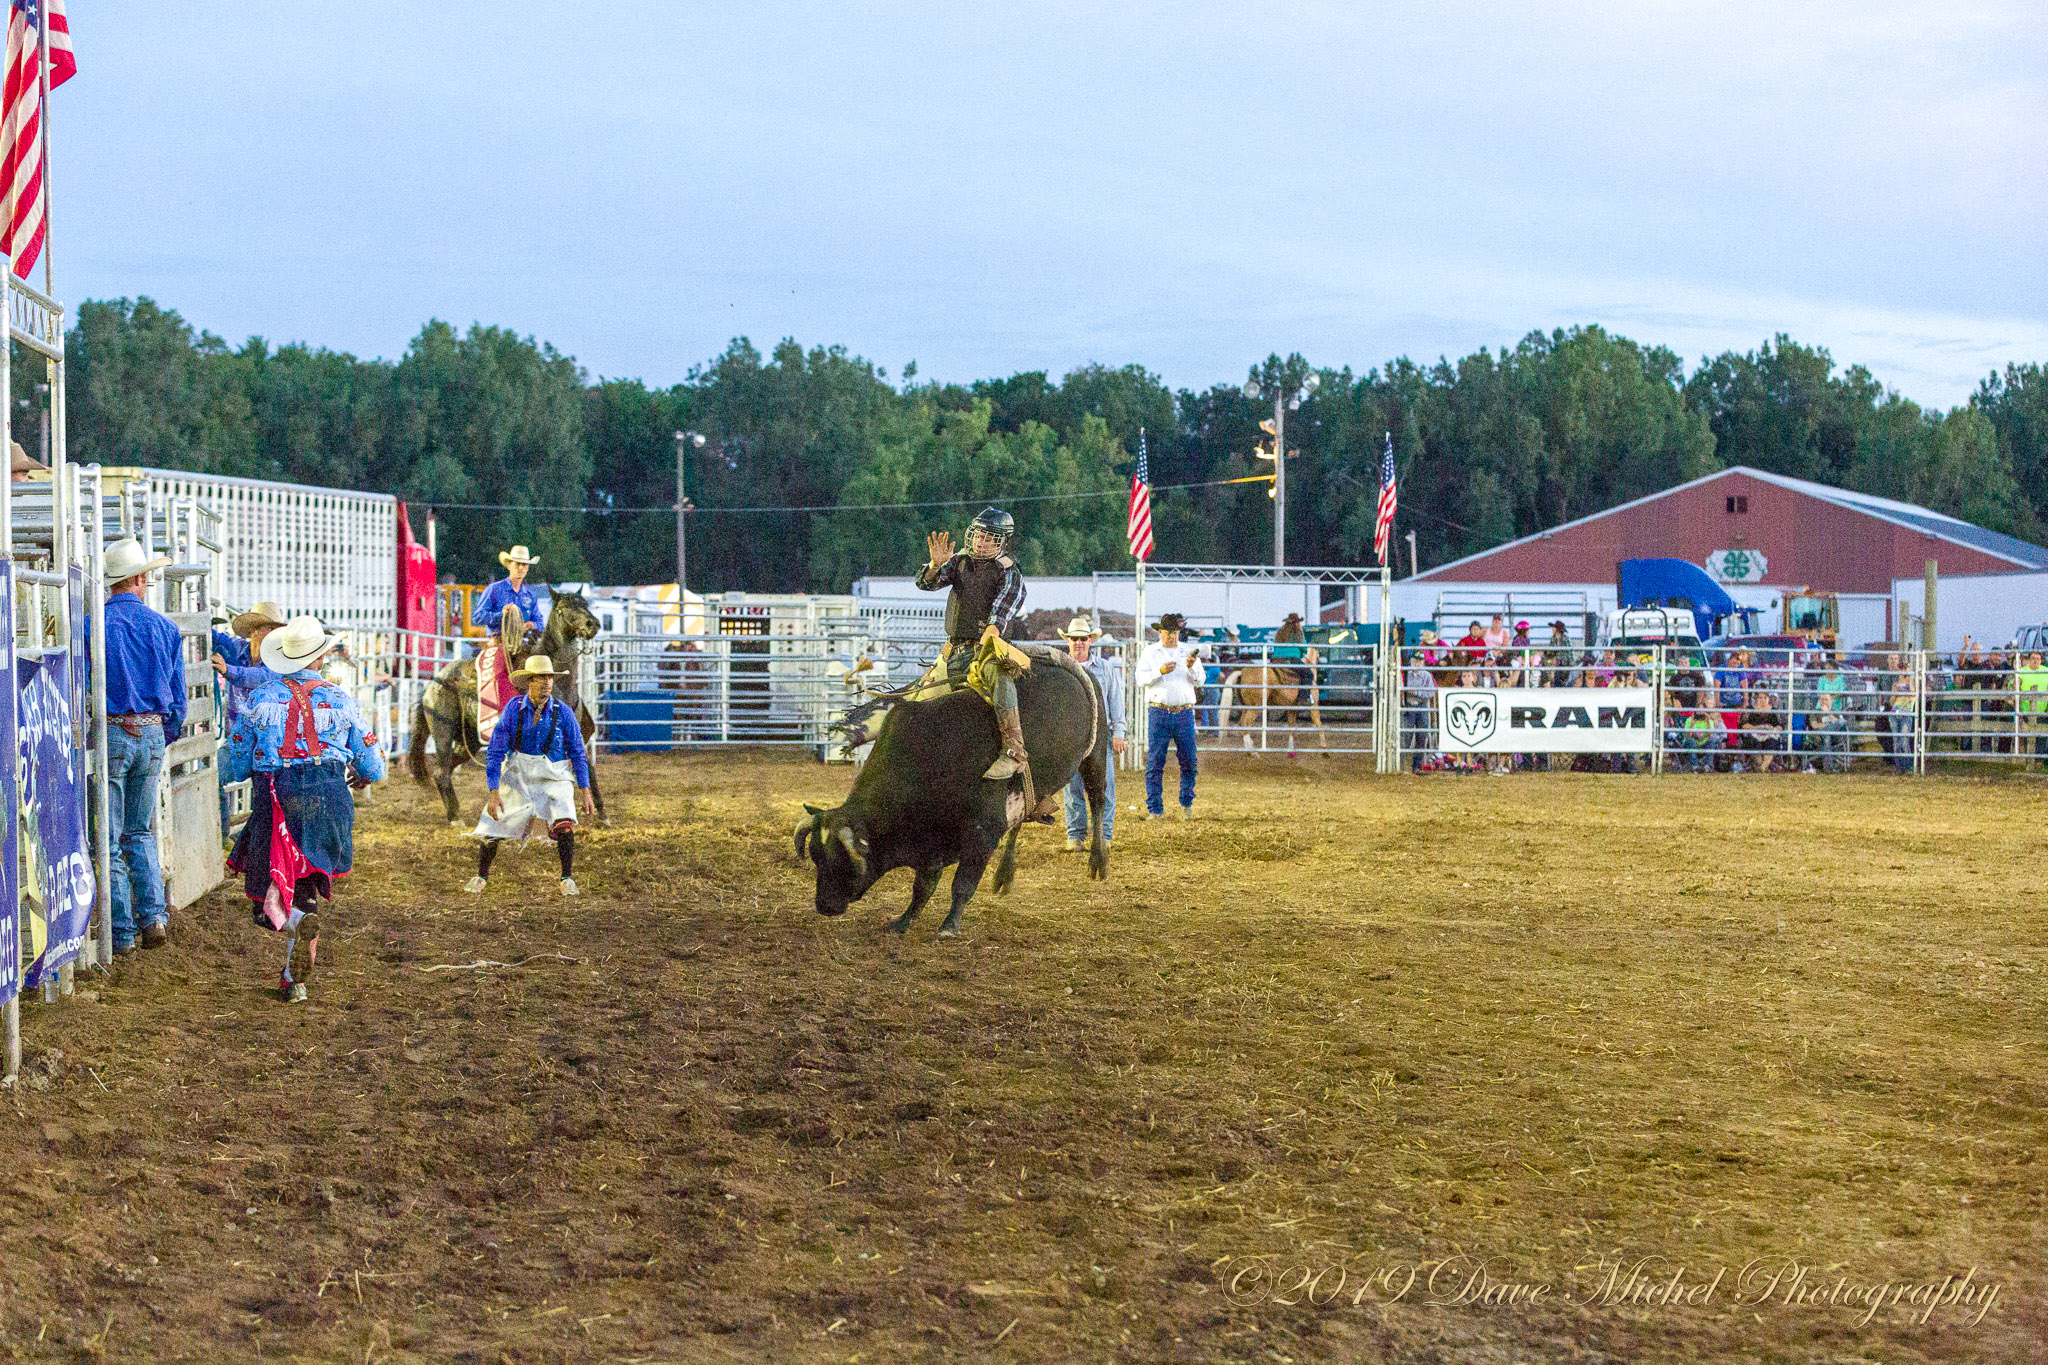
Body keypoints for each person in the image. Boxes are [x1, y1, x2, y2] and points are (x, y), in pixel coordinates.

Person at [224, 615, 385, 1002]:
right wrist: (361, 774)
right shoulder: (341, 699)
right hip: (330, 795)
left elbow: (237, 763)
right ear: (320, 657)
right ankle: (293, 980)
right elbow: (373, 764)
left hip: (279, 796)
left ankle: (296, 924)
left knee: (266, 897)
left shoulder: (261, 698)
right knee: (307, 886)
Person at [100, 538, 185, 955]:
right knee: (139, 829)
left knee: (111, 836)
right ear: (137, 579)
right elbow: (179, 701)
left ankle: (122, 934)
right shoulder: (165, 628)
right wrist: (162, 734)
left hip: (113, 730)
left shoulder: (94, 625)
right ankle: (153, 918)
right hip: (152, 730)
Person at [914, 507, 1028, 779]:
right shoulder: (960, 562)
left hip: (985, 650)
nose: (980, 542)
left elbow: (998, 616)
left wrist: (985, 645)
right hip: (951, 651)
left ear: (1001, 542)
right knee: (919, 697)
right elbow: (926, 584)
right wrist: (935, 566)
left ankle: (1014, 751)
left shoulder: (1009, 572)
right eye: (978, 535)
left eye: (988, 538)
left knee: (1000, 678)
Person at [468, 656, 595, 896]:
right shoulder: (513, 708)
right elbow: (495, 750)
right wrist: (493, 791)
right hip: (519, 773)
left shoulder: (564, 712)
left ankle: (567, 877)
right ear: (530, 681)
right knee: (493, 823)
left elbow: (578, 752)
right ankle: (481, 875)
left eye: (549, 677)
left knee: (565, 817)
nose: (547, 682)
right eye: (541, 677)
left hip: (554, 774)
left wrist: (585, 791)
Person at [210, 602, 287, 836]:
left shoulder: (280, 660)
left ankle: (256, 841)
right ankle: (222, 836)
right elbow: (213, 637)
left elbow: (264, 677)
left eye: (277, 629)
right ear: (255, 631)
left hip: (271, 741)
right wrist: (202, 622)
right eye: (269, 628)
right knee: (213, 775)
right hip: (243, 738)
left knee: (267, 796)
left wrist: (229, 670)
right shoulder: (236, 649)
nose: (274, 634)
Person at [1055, 617, 1125, 851]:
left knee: (1105, 785)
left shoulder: (1105, 668)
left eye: (1083, 638)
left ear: (1090, 640)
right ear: (1068, 641)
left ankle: (1103, 834)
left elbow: (1115, 700)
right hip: (1069, 736)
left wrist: (1119, 732)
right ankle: (1076, 835)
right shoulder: (1061, 668)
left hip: (1099, 735)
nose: (1079, 643)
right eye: (1074, 638)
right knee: (1072, 786)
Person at [473, 544, 543, 746]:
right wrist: (500, 615)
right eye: (517, 564)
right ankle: (504, 723)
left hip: (524, 643)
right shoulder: (494, 590)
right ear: (510, 565)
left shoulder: (530, 596)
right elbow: (478, 617)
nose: (520, 568)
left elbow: (540, 621)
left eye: (524, 565)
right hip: (500, 641)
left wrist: (532, 625)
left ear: (527, 568)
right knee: (498, 671)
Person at [1138, 613, 1201, 819]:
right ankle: (1155, 809)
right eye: (1168, 632)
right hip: (1159, 711)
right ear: (1160, 632)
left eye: (1175, 632)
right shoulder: (1150, 652)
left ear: (1179, 633)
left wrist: (1191, 668)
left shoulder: (1188, 653)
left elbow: (1200, 680)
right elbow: (1140, 679)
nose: (1172, 636)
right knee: (1155, 762)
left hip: (1184, 711)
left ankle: (1186, 804)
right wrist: (1160, 671)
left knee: (1189, 760)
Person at [2017, 650, 2048, 766]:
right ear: (2029, 660)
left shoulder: (2045, 671)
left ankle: (2039, 761)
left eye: (2038, 659)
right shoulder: (2022, 671)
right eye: (2033, 658)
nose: (2035, 661)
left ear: (2041, 660)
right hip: (2026, 710)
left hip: (2042, 709)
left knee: (2042, 736)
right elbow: (2016, 686)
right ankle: (2029, 760)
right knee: (2027, 736)